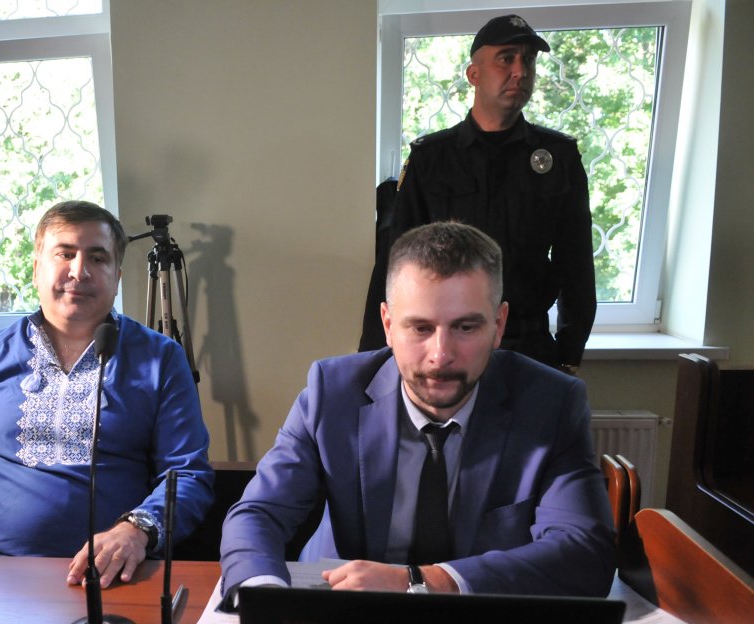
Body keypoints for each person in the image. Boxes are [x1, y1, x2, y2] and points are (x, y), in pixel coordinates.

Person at [221, 221, 614, 602]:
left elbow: (584, 552)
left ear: (498, 325)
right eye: (420, 328)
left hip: (479, 617)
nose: (440, 355)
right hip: (341, 608)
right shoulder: (332, 393)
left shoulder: (551, 404)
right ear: (388, 325)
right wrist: (263, 602)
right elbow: (258, 514)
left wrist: (423, 582)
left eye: (465, 328)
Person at [0, 200, 213, 587]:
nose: (79, 271)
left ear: (116, 277)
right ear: (36, 269)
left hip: (115, 577)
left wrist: (137, 530)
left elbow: (187, 474)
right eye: (65, 254)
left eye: (98, 257)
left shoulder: (161, 359)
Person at [359, 14, 595, 375]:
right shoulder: (432, 159)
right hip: (447, 346)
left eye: (529, 60)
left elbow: (575, 264)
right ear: (474, 74)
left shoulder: (557, 158)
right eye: (506, 58)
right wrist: (376, 359)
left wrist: (569, 353)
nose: (520, 71)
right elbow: (395, 263)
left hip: (527, 345)